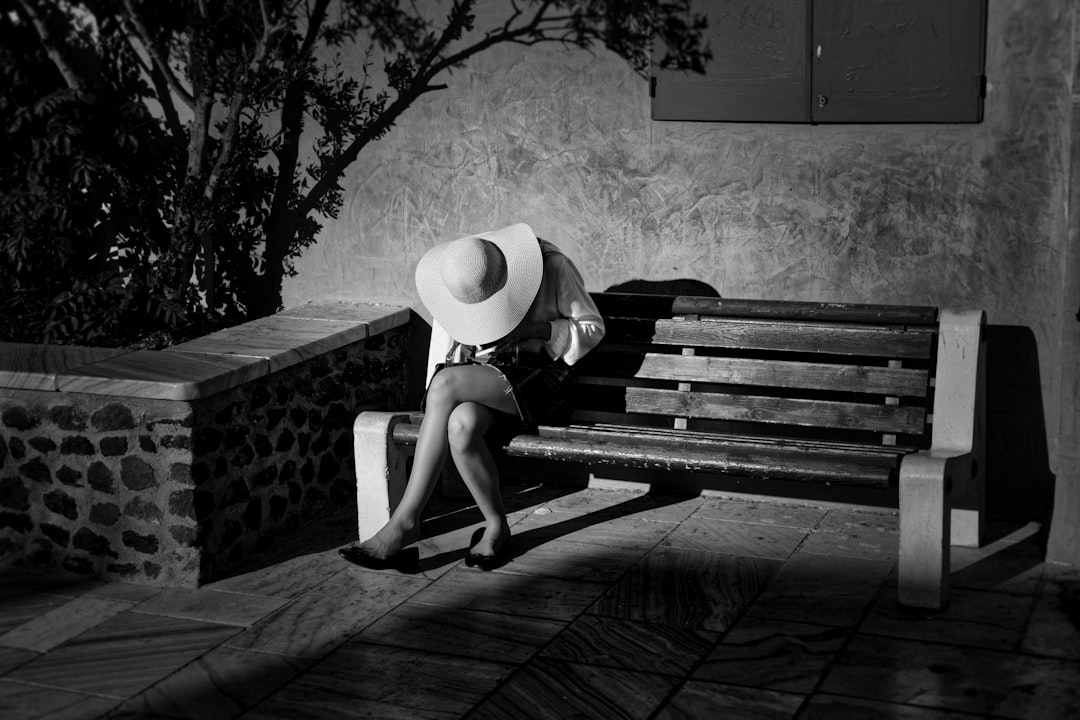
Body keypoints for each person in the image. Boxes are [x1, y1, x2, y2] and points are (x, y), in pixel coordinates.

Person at [339, 223, 605, 571]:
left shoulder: (552, 266)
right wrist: (441, 401)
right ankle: (496, 526)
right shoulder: (459, 280)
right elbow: (443, 353)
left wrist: (536, 330)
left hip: (545, 378)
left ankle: (404, 523)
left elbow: (592, 328)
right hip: (491, 380)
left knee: (447, 386)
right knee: (461, 425)